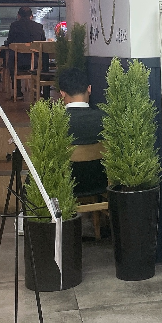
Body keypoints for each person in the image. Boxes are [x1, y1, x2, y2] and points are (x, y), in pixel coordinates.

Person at [59, 68, 107, 219]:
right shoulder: (105, 118)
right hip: (101, 182)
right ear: (89, 89)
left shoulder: (55, 122)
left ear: (62, 93)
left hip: (67, 185)